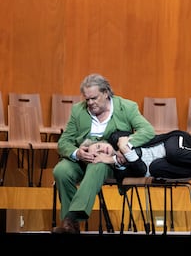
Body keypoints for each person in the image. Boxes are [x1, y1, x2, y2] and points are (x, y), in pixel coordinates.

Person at [51, 73, 156, 234]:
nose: (90, 103)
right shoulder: (78, 111)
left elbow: (148, 131)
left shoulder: (126, 107)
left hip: (108, 161)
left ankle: (70, 219)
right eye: (87, 99)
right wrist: (77, 153)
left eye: (94, 98)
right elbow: (63, 142)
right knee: (61, 171)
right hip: (82, 159)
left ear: (106, 93)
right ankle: (71, 226)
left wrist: (124, 144)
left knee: (98, 164)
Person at [87, 130, 191, 183]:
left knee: (173, 154)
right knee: (156, 168)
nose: (103, 151)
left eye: (99, 147)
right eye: (98, 154)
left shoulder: (116, 138)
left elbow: (122, 135)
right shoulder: (119, 170)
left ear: (103, 142)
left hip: (172, 142)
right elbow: (141, 169)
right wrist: (118, 158)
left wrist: (122, 147)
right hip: (166, 164)